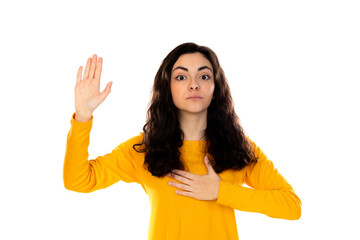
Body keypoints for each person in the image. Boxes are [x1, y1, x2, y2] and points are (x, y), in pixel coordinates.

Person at [63, 42, 302, 240]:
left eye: (204, 75)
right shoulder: (143, 149)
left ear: (215, 87)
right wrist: (83, 117)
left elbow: (291, 206)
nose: (193, 84)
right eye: (181, 76)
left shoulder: (238, 147)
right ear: (167, 87)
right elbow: (78, 181)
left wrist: (221, 191)